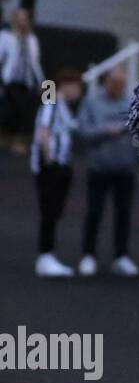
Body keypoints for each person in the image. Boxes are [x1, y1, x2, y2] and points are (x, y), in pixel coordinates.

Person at [76, 66, 139, 277]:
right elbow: (82, 131)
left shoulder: (131, 102)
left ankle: (121, 256)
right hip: (99, 168)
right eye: (114, 83)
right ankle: (88, 254)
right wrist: (106, 130)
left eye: (122, 85)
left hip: (125, 168)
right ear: (106, 82)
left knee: (123, 214)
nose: (118, 88)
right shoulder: (92, 101)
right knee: (94, 212)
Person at [32, 67, 83, 277]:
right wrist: (50, 161)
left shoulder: (62, 105)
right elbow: (44, 132)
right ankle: (45, 255)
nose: (79, 93)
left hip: (59, 164)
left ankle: (48, 254)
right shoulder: (52, 102)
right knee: (49, 211)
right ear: (68, 86)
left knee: (54, 211)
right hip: (51, 167)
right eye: (78, 88)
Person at [0, 6, 44, 154]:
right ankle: (6, 138)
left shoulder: (32, 39)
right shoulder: (6, 36)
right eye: (20, 17)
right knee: (9, 110)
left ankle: (18, 141)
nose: (22, 21)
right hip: (10, 80)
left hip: (27, 81)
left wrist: (42, 82)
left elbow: (35, 62)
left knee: (24, 111)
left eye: (25, 18)